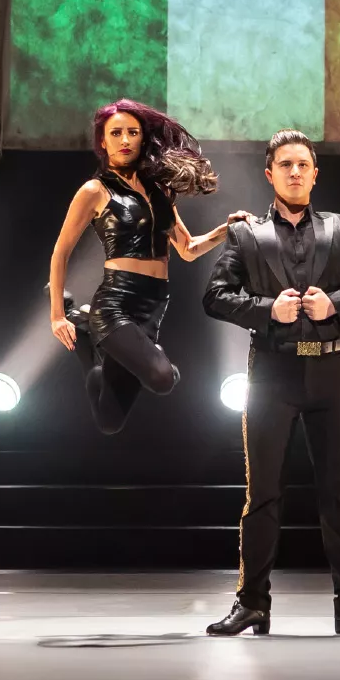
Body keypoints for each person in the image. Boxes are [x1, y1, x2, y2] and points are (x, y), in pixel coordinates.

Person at [202, 130, 340, 636]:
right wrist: (269, 309)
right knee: (263, 492)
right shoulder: (246, 234)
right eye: (285, 164)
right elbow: (216, 297)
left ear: (316, 172)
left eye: (303, 164)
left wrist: (336, 302)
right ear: (269, 174)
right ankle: (252, 605)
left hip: (332, 371)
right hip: (271, 373)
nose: (295, 172)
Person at [46, 99, 248, 434]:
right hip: (115, 303)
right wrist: (55, 315)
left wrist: (225, 229)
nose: (124, 139)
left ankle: (84, 339)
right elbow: (60, 251)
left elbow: (188, 249)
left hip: (154, 306)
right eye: (116, 133)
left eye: (132, 132)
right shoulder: (94, 191)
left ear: (143, 139)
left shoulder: (161, 189)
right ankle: (86, 324)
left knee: (109, 421)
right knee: (163, 378)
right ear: (102, 141)